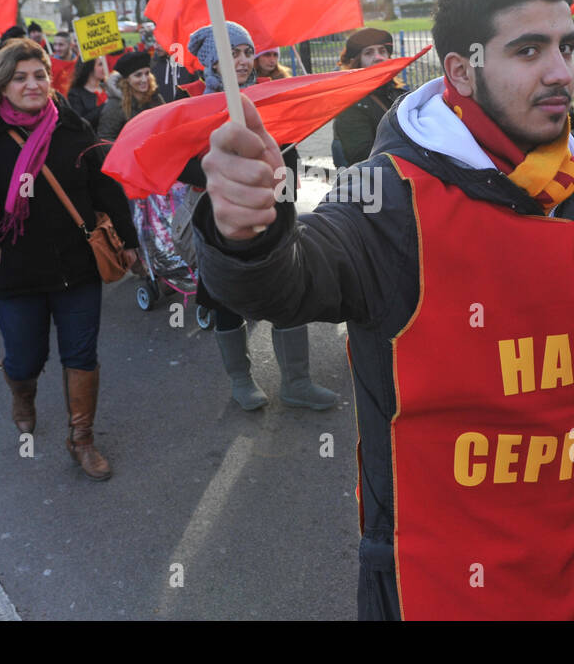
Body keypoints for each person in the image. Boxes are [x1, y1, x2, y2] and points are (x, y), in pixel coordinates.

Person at [194, 0, 574, 619]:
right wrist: (247, 234)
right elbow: (290, 283)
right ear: (460, 72)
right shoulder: (389, 198)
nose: (561, 70)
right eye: (528, 50)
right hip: (433, 586)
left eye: (567, 46)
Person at [0, 39, 139, 480]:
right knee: (25, 358)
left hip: (77, 266)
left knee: (81, 354)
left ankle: (82, 439)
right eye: (20, 77)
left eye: (40, 75)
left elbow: (103, 184)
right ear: (1, 84)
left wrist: (128, 239)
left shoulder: (70, 126)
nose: (33, 85)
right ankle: (22, 393)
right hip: (15, 273)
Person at [186, 22, 339, 414]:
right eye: (231, 54)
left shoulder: (269, 96)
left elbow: (287, 150)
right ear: (211, 63)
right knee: (226, 300)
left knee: (289, 288)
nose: (242, 60)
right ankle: (241, 380)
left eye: (245, 52)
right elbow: (185, 169)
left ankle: (297, 382)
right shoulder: (195, 109)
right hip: (227, 222)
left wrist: (285, 190)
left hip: (277, 210)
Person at [332, 27, 408, 166]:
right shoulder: (351, 103)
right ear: (357, 62)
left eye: (382, 51)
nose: (378, 57)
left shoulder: (400, 94)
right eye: (369, 53)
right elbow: (362, 155)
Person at [97, 51, 164, 143]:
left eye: (147, 73)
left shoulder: (155, 98)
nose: (144, 79)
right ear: (127, 79)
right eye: (138, 75)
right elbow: (105, 139)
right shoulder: (115, 105)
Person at [67, 56, 110, 131]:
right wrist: (105, 105)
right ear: (89, 67)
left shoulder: (108, 88)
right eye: (100, 64)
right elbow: (80, 123)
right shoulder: (75, 94)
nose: (105, 67)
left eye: (104, 63)